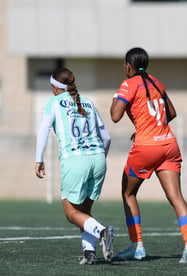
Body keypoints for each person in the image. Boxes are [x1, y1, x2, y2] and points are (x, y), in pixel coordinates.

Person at [110, 47, 187, 263]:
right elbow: (171, 113)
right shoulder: (156, 82)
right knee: (176, 196)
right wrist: (151, 126)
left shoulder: (128, 83)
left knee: (128, 193)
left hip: (147, 148)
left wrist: (116, 97)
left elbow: (115, 115)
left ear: (128, 66)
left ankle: (137, 247)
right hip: (168, 144)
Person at [35, 68, 114, 265]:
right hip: (98, 159)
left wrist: (39, 159)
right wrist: (99, 159)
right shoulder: (87, 101)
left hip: (75, 160)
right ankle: (90, 254)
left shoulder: (53, 102)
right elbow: (106, 137)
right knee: (84, 212)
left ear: (55, 87)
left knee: (71, 213)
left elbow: (43, 129)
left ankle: (102, 232)